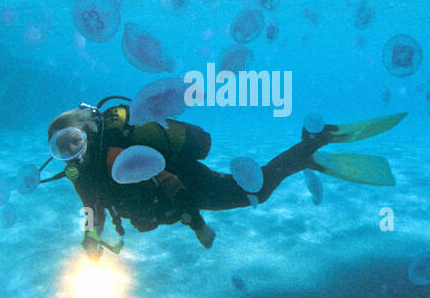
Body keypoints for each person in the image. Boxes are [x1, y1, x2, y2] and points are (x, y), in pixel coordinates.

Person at [40, 98, 405, 256]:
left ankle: (312, 145)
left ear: (88, 133)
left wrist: (198, 226)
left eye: (74, 140)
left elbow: (169, 182)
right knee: (256, 190)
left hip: (190, 184)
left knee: (257, 193)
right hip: (172, 201)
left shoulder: (114, 156)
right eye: (61, 147)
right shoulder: (79, 173)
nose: (72, 151)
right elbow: (92, 209)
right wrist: (90, 240)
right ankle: (309, 151)